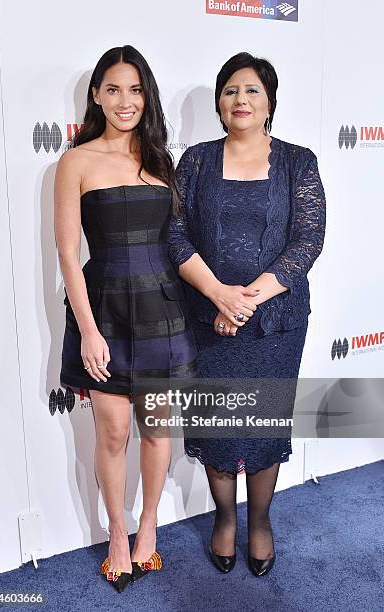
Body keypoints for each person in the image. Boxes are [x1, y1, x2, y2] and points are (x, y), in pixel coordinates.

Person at [168, 52, 326, 577]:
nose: (240, 99)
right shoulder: (194, 161)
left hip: (275, 324)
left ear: (270, 102)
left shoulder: (297, 161)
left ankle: (260, 521)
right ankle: (224, 520)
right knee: (217, 424)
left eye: (252, 90)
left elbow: (308, 240)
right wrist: (219, 296)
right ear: (219, 102)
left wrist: (246, 300)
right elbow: (174, 233)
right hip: (207, 320)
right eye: (231, 90)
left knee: (260, 425)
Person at [55, 45, 198, 593]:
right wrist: (88, 330)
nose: (125, 101)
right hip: (106, 309)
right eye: (113, 89)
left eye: (135, 90)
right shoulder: (76, 161)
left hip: (163, 307)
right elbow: (69, 252)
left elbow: (178, 242)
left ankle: (148, 528)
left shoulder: (161, 159)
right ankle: (116, 534)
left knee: (157, 427)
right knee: (112, 430)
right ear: (96, 94)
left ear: (147, 97)